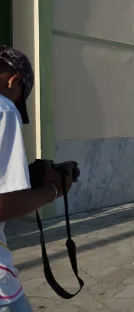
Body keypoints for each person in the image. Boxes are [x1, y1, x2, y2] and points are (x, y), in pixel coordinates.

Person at [0, 46, 77, 310]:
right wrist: (56, 189)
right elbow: (3, 205)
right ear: (15, 80)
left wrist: (24, 178)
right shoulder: (4, 109)